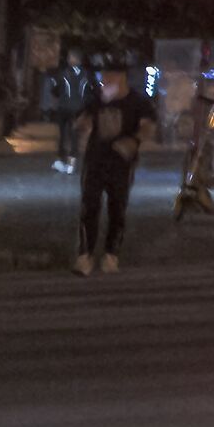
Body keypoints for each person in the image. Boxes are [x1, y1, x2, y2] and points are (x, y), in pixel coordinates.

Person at [73, 55, 156, 275]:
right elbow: (82, 121)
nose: (104, 81)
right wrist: (83, 124)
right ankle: (85, 255)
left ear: (121, 78)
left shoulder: (137, 102)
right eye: (103, 77)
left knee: (117, 208)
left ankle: (111, 254)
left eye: (108, 77)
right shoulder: (96, 99)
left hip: (121, 163)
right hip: (95, 160)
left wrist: (133, 140)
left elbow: (148, 126)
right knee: (89, 206)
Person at [44, 52, 84, 174]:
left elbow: (55, 90)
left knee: (63, 135)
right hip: (78, 109)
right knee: (74, 135)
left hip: (64, 107)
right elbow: (92, 91)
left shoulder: (62, 74)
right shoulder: (85, 74)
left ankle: (61, 161)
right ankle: (72, 163)